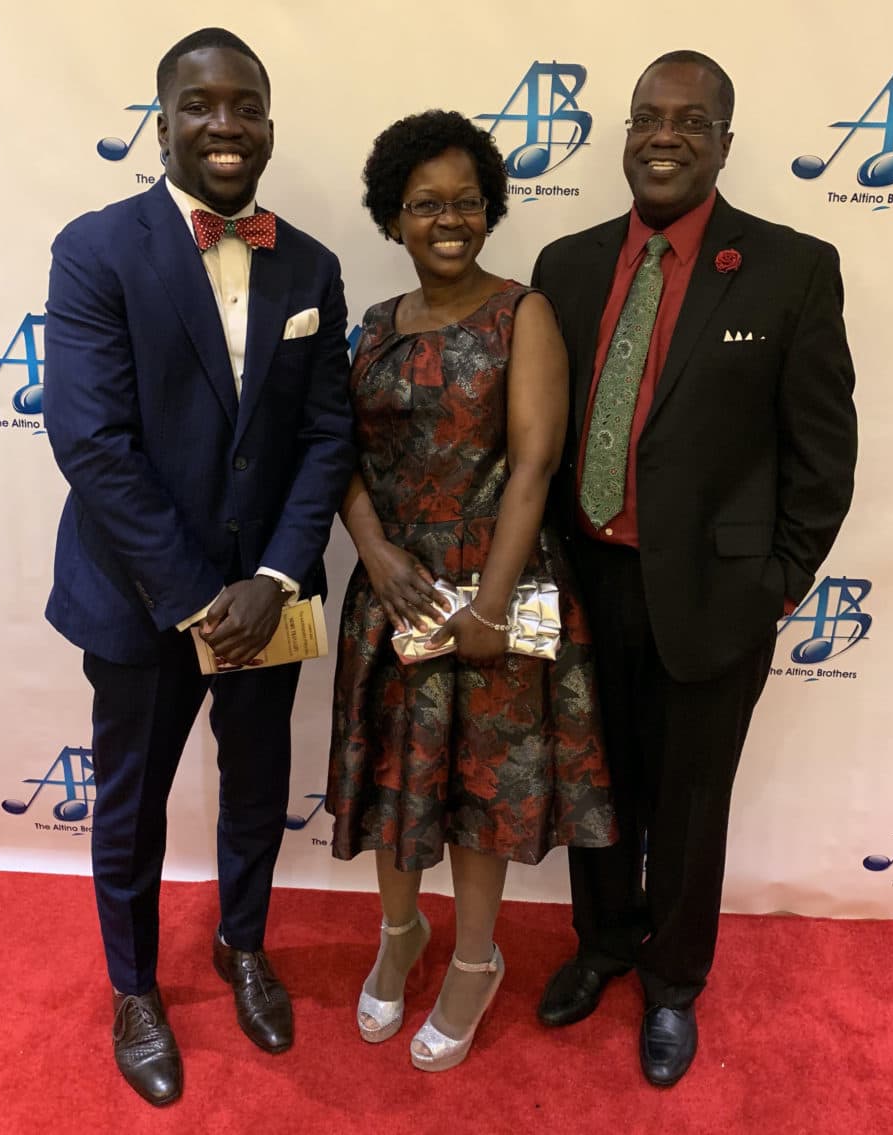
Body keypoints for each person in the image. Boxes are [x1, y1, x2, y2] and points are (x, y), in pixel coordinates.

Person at [532, 50, 857, 1086]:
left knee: (686, 799)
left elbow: (821, 452)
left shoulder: (791, 266)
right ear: (623, 133)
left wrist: (780, 580)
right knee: (595, 789)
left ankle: (672, 983)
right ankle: (602, 944)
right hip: (584, 581)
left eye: (688, 119)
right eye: (644, 117)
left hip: (715, 595)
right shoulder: (567, 265)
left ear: (724, 141)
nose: (662, 136)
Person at [43, 27, 354, 1106]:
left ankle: (242, 942)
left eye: (247, 105)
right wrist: (191, 599)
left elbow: (325, 435)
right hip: (140, 602)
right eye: (201, 105)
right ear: (163, 118)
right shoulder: (96, 249)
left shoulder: (309, 263)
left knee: (257, 785)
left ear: (269, 119)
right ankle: (134, 987)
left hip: (268, 595)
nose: (227, 126)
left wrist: (272, 576)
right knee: (129, 804)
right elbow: (93, 442)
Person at [325, 109, 616, 1073]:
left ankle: (477, 959)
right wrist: (371, 551)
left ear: (489, 208)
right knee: (400, 782)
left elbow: (533, 466)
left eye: (465, 202)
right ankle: (400, 933)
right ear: (393, 217)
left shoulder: (520, 313)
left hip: (497, 585)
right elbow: (340, 456)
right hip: (397, 593)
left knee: (481, 793)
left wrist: (489, 609)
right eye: (424, 205)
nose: (447, 220)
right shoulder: (371, 327)